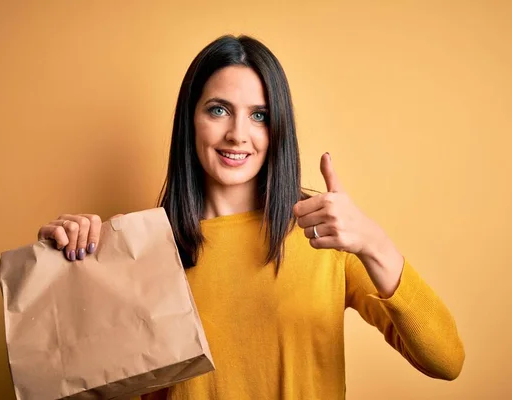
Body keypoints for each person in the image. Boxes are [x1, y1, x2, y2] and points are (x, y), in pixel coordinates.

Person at [37, 35, 465, 400]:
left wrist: (374, 243)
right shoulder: (141, 248)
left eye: (259, 116)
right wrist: (69, 272)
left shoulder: (324, 233)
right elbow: (78, 383)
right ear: (191, 121)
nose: (238, 133)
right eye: (218, 110)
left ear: (278, 128)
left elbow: (447, 361)